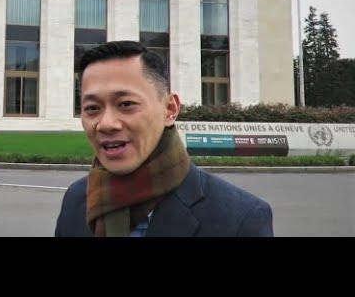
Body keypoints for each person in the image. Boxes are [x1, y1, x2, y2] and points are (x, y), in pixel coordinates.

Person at [55, 41, 273, 237]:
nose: (106, 123)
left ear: (170, 109)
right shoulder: (77, 200)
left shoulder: (241, 220)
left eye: (126, 104)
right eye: (92, 108)